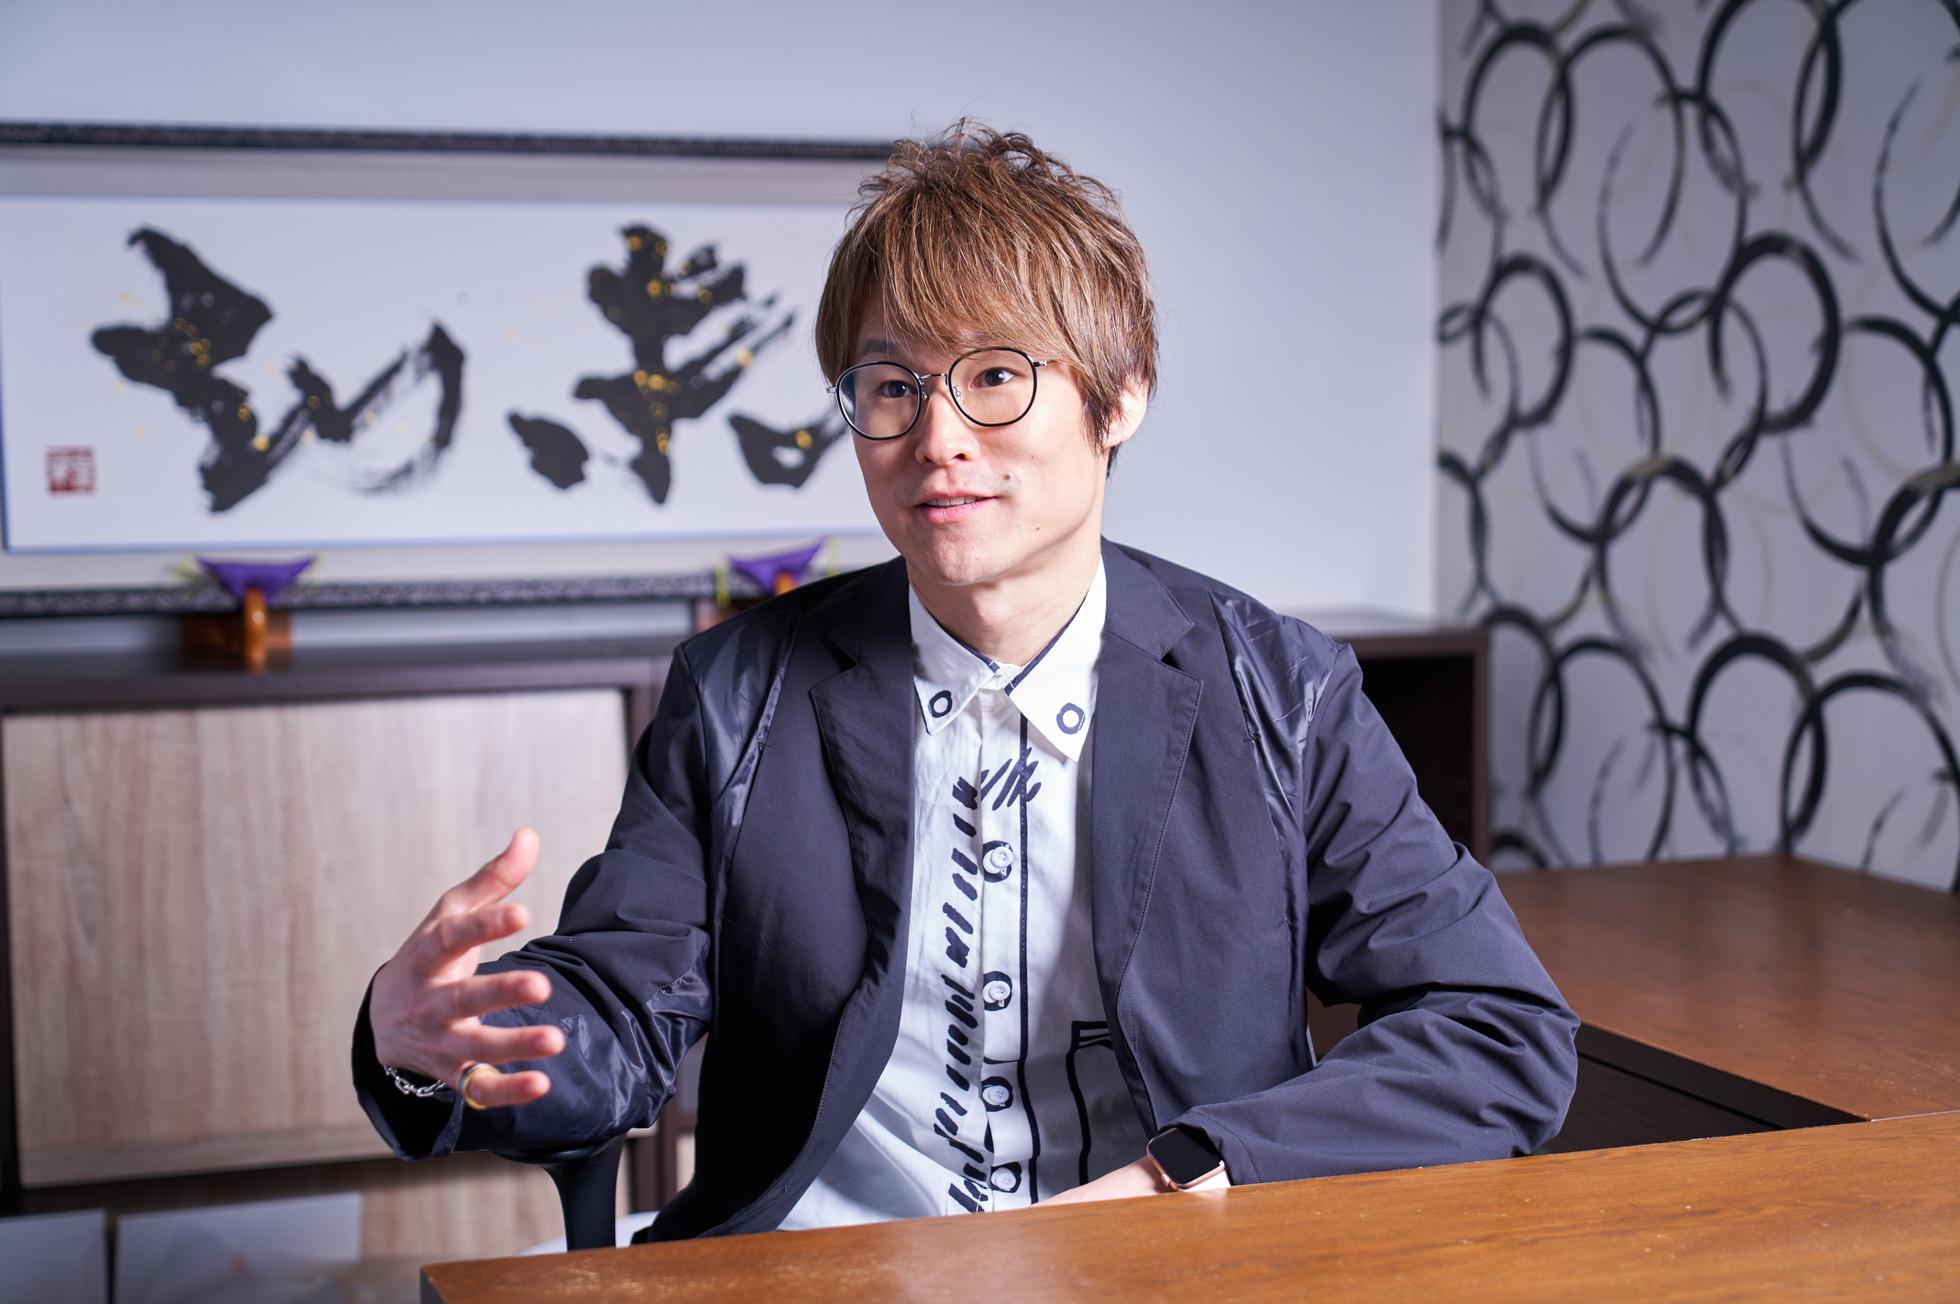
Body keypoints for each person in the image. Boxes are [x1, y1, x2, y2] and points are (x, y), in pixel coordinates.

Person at [353, 122, 1578, 1240]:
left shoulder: (1279, 691)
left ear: (1121, 394)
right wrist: (439, 1045)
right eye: (893, 387)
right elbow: (616, 1013)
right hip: (820, 1267)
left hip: (1161, 1263)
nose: (937, 438)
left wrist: (1185, 1176)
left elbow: (1497, 1026)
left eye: (994, 377)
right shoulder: (737, 693)